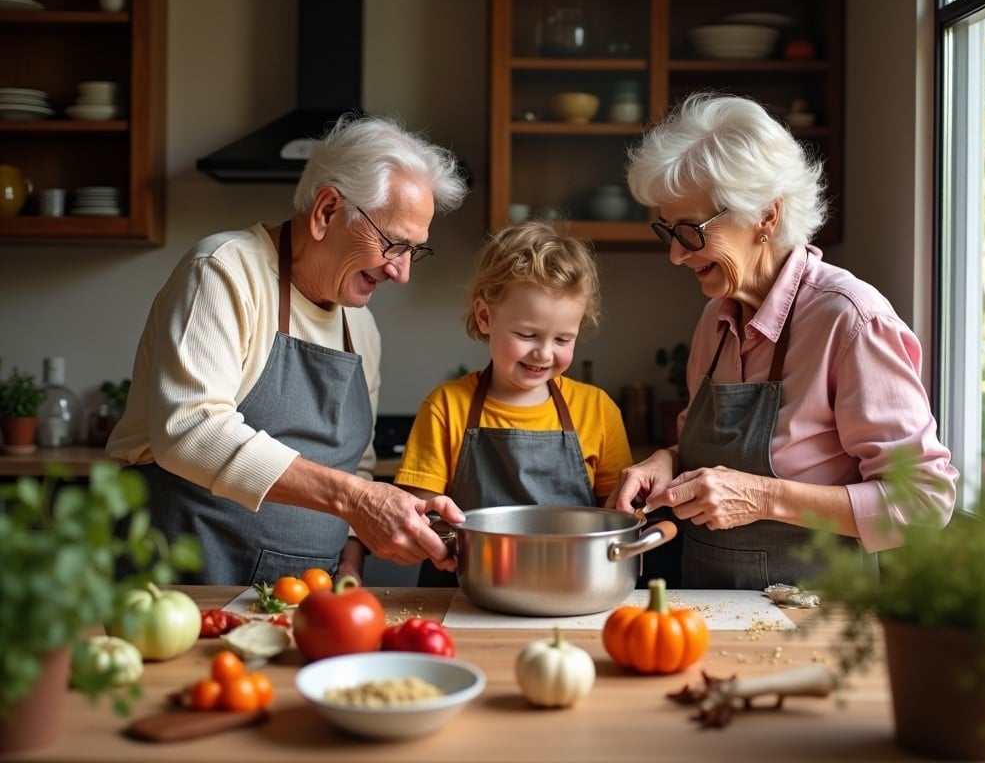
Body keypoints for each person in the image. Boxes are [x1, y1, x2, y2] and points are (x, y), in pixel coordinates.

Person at [607, 92, 959, 590]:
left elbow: (926, 500)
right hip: (708, 614)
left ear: (766, 217)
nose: (677, 257)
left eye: (692, 232)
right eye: (669, 232)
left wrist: (765, 498)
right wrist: (663, 462)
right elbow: (696, 451)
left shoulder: (849, 320)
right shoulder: (715, 319)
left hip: (816, 622)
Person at [106, 113, 469, 585]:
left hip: (304, 599)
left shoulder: (361, 326)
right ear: (326, 211)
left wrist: (356, 557)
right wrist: (358, 499)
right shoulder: (223, 271)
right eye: (394, 244)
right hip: (184, 585)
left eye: (414, 250)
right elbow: (189, 430)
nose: (402, 272)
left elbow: (353, 463)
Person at [393, 220, 634, 586]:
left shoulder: (597, 410)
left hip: (571, 587)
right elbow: (420, 518)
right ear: (485, 316)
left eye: (563, 339)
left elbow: (616, 518)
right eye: (527, 334)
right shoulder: (446, 406)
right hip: (465, 589)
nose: (543, 353)